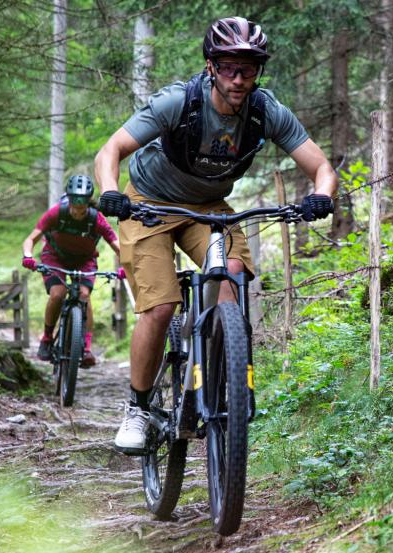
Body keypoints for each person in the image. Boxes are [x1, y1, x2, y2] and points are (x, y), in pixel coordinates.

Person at [94, 16, 338, 454]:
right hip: (148, 203)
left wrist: (321, 196)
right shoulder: (179, 102)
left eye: (249, 69)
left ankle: (217, 376)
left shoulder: (265, 111)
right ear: (211, 66)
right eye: (229, 67)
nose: (239, 79)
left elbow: (321, 167)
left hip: (208, 208)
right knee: (161, 306)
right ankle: (138, 408)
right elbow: (110, 150)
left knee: (233, 275)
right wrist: (111, 192)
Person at [21, 175, 123, 368]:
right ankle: (47, 338)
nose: (77, 212)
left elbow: (116, 244)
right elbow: (31, 239)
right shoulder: (56, 213)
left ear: (87, 204)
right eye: (74, 207)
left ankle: (86, 348)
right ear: (68, 200)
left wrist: (126, 265)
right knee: (57, 294)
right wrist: (28, 256)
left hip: (84, 260)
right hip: (55, 256)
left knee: (84, 295)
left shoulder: (96, 218)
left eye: (81, 208)